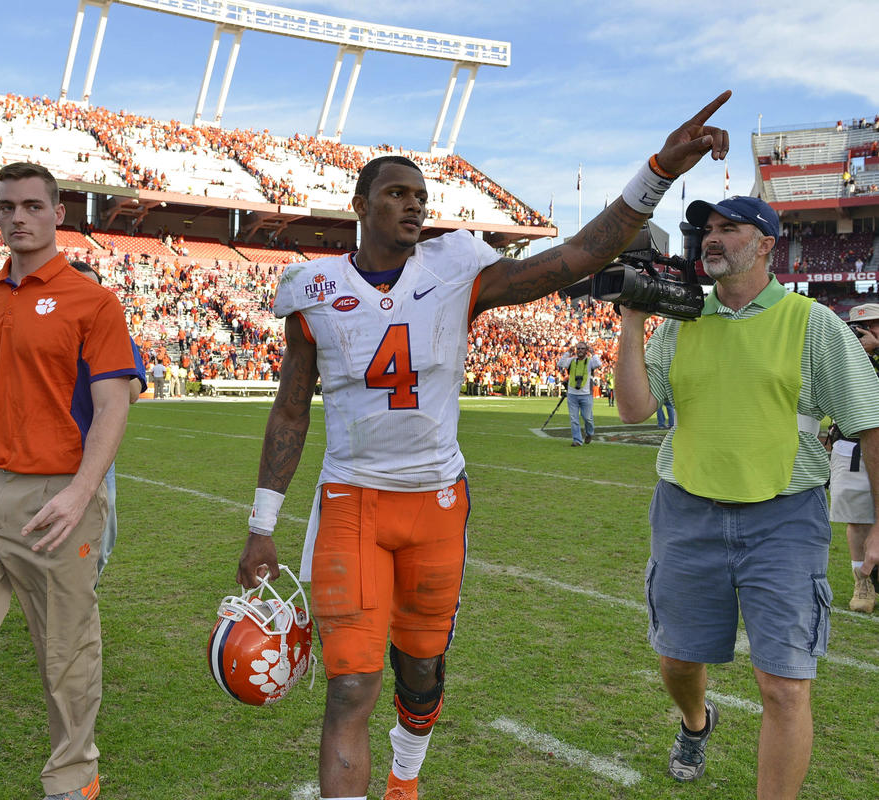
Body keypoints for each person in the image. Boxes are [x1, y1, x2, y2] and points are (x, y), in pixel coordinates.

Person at [236, 91, 732, 800]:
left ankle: (405, 782)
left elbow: (578, 255)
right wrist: (261, 525)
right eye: (397, 193)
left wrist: (658, 171)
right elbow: (290, 412)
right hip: (351, 502)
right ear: (359, 203)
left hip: (436, 503)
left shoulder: (456, 271)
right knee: (349, 687)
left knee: (421, 675)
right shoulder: (312, 288)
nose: (413, 205)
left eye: (421, 195)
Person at [615, 195, 879, 797]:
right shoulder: (682, 321)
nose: (712, 238)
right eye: (706, 229)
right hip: (687, 510)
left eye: (729, 229)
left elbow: (871, 424)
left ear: (766, 244)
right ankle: (696, 721)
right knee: (678, 662)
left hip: (785, 517)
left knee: (784, 685)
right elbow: (633, 410)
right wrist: (631, 322)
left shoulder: (813, 323)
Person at [0, 162, 137, 800]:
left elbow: (115, 404)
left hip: (57, 493)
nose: (18, 217)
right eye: (7, 207)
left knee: (65, 655)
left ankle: (72, 778)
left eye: (33, 206)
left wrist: (80, 492)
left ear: (57, 214)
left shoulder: (93, 300)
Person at [68, 260, 148, 586]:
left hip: (98, 452)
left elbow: (131, 394)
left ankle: (85, 588)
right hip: (48, 450)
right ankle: (66, 601)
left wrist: (105, 352)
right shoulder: (49, 333)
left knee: (104, 534)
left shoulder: (114, 334)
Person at [829, 302, 879, 613]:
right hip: (852, 443)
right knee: (858, 517)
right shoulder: (844, 357)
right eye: (861, 327)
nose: (867, 331)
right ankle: (863, 582)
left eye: (874, 324)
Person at [557, 341, 601, 446]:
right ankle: (577, 440)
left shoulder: (590, 361)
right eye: (578, 348)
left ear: (586, 351)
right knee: (574, 419)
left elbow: (598, 364)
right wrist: (568, 353)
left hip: (586, 395)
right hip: (572, 394)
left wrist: (593, 353)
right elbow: (560, 364)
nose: (580, 350)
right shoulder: (572, 360)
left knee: (587, 418)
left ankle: (589, 433)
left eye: (582, 348)